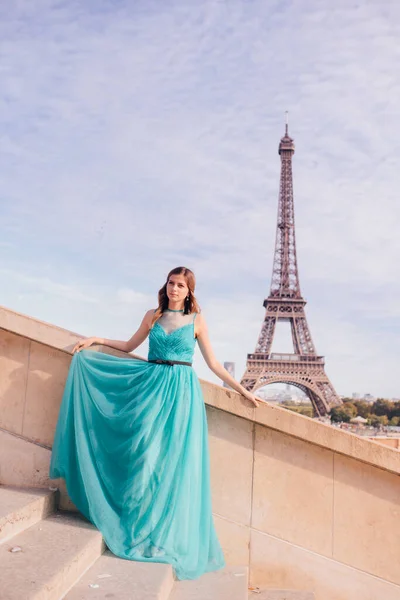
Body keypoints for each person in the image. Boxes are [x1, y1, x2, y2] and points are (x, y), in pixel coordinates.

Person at [49, 266, 263, 581]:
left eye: (181, 285)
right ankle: (135, 529)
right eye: (171, 283)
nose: (175, 289)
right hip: (150, 389)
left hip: (181, 394)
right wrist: (96, 339)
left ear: (190, 291)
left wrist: (244, 391)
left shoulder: (197, 321)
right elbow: (127, 346)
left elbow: (214, 364)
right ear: (166, 286)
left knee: (169, 465)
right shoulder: (153, 315)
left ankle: (157, 537)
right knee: (143, 458)